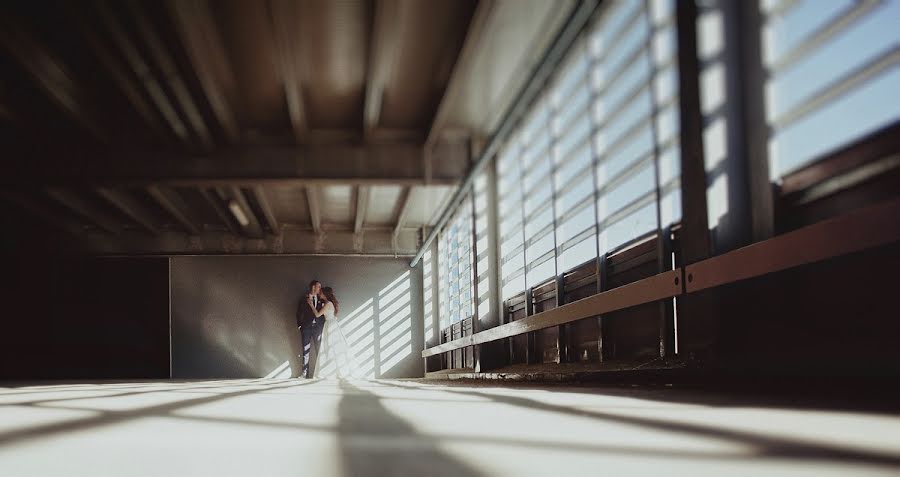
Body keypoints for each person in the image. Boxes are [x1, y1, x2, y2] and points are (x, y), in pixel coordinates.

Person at [306, 286, 359, 378]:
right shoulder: (327, 303)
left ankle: (332, 371)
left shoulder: (328, 303)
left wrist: (311, 304)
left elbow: (318, 315)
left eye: (321, 292)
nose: (320, 294)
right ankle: (332, 370)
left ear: (325, 294)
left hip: (330, 326)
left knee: (330, 347)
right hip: (330, 324)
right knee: (331, 347)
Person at [296, 280, 324, 378]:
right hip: (306, 328)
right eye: (318, 287)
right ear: (313, 287)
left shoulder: (321, 299)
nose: (320, 289)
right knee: (305, 350)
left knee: (319, 350)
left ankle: (320, 373)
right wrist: (300, 325)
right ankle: (304, 374)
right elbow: (299, 312)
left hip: (317, 329)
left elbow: (323, 314)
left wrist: (322, 326)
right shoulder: (304, 299)